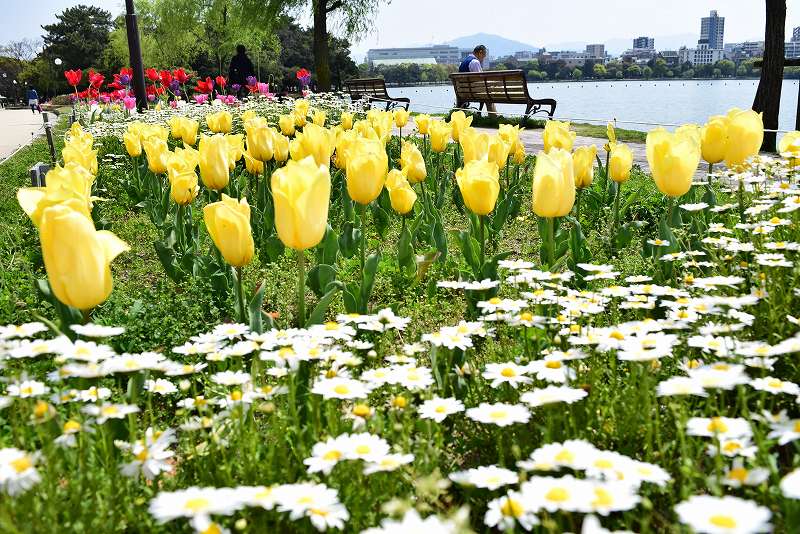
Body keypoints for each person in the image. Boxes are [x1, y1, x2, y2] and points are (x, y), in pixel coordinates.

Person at [458, 45, 496, 114]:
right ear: (480, 53)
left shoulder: (464, 62)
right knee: (489, 96)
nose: (482, 60)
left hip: (463, 91)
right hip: (473, 92)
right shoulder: (475, 62)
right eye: (483, 57)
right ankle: (493, 117)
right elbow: (480, 81)